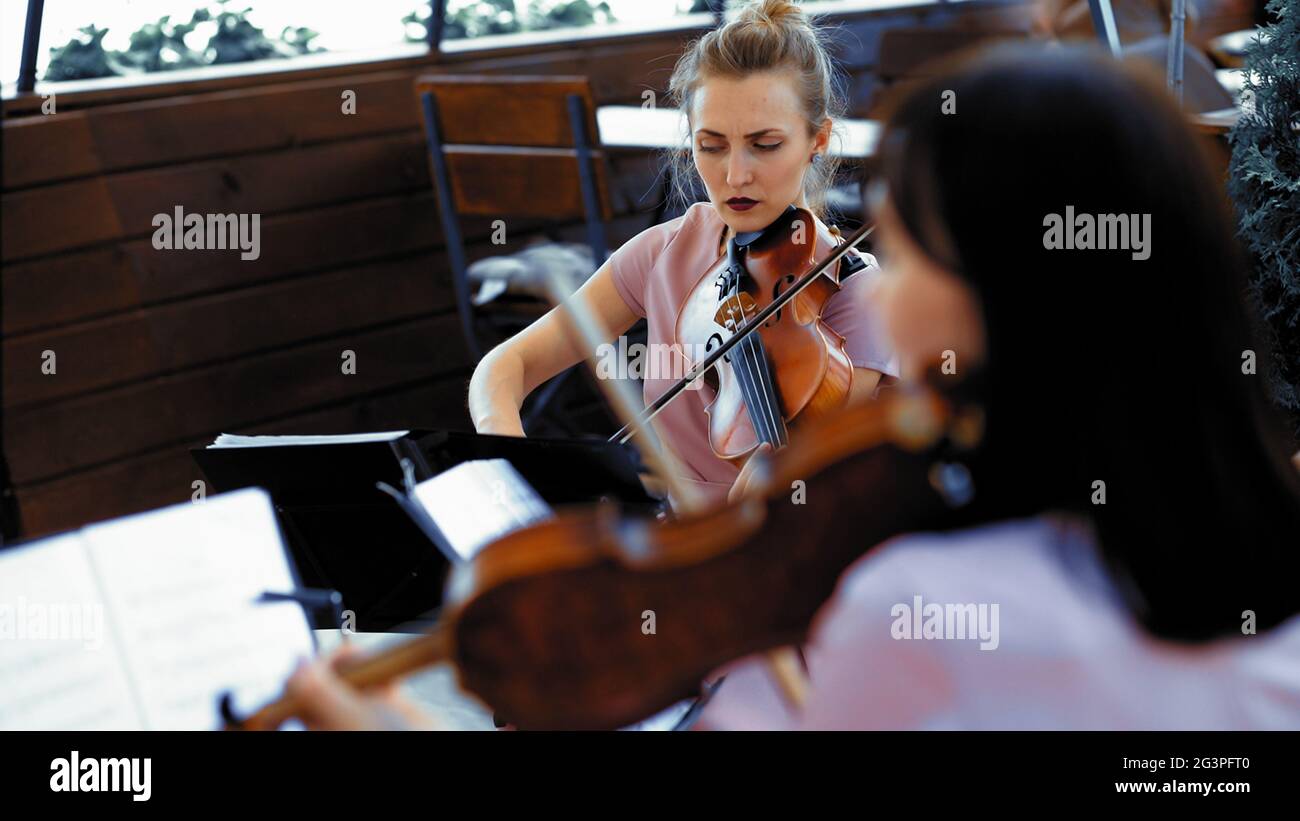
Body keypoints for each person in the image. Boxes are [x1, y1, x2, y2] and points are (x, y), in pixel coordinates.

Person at [279, 46, 1300, 730]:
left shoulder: (912, 606)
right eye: (712, 145)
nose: (879, 281)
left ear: (990, 292)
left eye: (900, 250)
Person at [466, 0, 897, 509]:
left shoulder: (854, 295)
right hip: (675, 534)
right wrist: (515, 474)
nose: (735, 176)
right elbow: (505, 367)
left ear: (817, 140)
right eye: (712, 146)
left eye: (765, 144)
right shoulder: (664, 252)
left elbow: (770, 503)